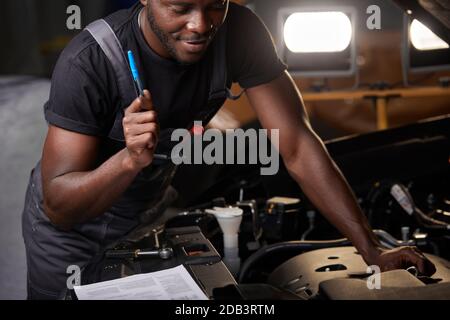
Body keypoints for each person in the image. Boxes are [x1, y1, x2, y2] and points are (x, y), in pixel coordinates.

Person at [22, 0, 435, 300]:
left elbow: (296, 143)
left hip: (146, 213)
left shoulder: (240, 31)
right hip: (70, 235)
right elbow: (60, 204)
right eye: (180, 7)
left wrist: (371, 250)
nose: (200, 25)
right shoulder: (89, 61)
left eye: (213, 5)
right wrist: (129, 159)